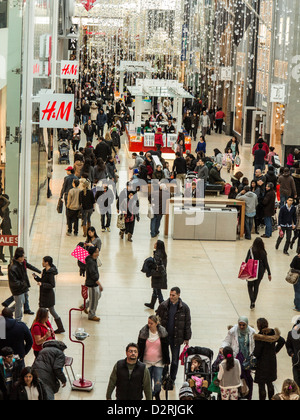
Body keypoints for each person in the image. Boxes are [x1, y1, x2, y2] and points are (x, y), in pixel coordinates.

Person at [156, 287, 192, 384]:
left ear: (178, 295)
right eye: (170, 295)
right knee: (164, 358)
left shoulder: (184, 308)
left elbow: (187, 323)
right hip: (164, 337)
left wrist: (187, 337)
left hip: (176, 338)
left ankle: (172, 378)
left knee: (175, 360)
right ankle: (164, 376)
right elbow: (157, 320)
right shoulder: (163, 305)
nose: (171, 297)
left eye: (173, 295)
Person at [220, 317, 256, 400]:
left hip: (247, 358)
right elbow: (226, 341)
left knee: (247, 378)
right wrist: (222, 347)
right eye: (240, 325)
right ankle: (238, 393)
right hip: (237, 357)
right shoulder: (233, 331)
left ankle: (247, 394)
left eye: (244, 325)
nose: (242, 327)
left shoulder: (252, 332)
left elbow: (254, 345)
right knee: (238, 376)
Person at [137, 315, 170, 400]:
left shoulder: (162, 332)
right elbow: (139, 346)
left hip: (159, 362)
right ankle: (150, 396)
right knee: (148, 383)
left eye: (151, 323)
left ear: (156, 323)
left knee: (158, 383)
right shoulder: (143, 332)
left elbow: (166, 348)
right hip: (146, 362)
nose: (149, 325)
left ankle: (157, 393)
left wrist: (167, 360)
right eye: (148, 323)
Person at [253, 318, 285, 400]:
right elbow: (282, 341)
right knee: (270, 382)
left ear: (259, 325)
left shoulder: (259, 336)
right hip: (272, 362)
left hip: (262, 363)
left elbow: (257, 352)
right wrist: (275, 351)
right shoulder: (273, 333)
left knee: (261, 384)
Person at [7, 247, 41, 321]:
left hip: (23, 287)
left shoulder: (22, 262)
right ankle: (17, 321)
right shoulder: (13, 267)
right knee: (19, 304)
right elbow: (14, 282)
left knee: (21, 301)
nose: (23, 258)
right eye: (22, 256)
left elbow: (30, 266)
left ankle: (7, 311)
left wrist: (39, 271)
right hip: (18, 289)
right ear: (18, 257)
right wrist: (23, 284)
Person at [33, 256, 65, 335]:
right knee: (51, 311)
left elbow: (52, 284)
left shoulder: (50, 273)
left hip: (48, 296)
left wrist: (42, 284)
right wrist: (36, 278)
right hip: (44, 295)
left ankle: (34, 328)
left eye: (43, 261)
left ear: (47, 262)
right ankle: (60, 327)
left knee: (44, 312)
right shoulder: (45, 271)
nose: (42, 263)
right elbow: (42, 281)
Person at [245, 237, 272, 309]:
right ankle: (253, 301)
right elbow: (266, 263)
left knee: (250, 285)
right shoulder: (263, 252)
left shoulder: (251, 250)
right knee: (256, 286)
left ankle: (252, 300)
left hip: (252, 269)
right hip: (260, 270)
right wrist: (269, 273)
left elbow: (246, 260)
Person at [144, 240, 168, 309]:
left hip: (157, 276)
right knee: (155, 290)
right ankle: (152, 304)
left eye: (155, 243)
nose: (154, 244)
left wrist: (151, 271)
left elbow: (157, 266)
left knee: (158, 292)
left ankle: (163, 306)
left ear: (158, 246)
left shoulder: (158, 255)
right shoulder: (162, 254)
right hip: (160, 276)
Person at [84, 246, 103, 322]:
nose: (98, 254)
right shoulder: (91, 262)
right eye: (96, 252)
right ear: (92, 253)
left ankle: (85, 305)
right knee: (94, 299)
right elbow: (93, 275)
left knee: (97, 296)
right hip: (92, 284)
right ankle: (91, 315)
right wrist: (99, 284)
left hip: (93, 283)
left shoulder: (92, 259)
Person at [286, 318, 300, 386]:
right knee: (296, 383)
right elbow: (288, 345)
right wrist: (291, 353)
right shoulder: (291, 334)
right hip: (296, 363)